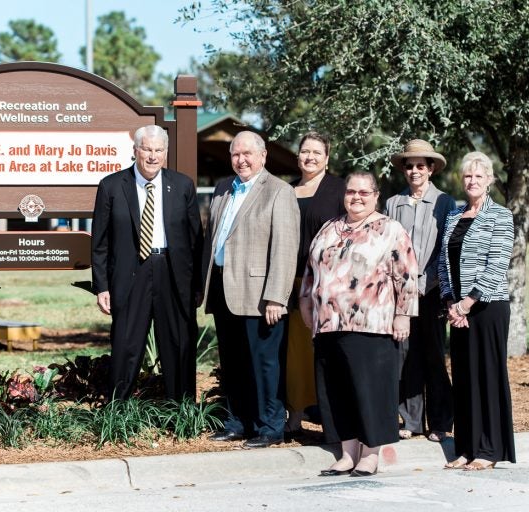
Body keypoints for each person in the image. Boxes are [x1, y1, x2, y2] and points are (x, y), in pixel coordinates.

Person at [300, 170, 418, 477]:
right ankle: (348, 453)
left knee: (370, 391)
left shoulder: (390, 229)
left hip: (372, 324)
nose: (356, 197)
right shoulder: (330, 227)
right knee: (336, 392)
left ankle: (370, 453)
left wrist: (403, 314)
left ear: (376, 195)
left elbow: (406, 275)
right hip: (328, 324)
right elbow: (311, 270)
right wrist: (306, 305)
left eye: (364, 193)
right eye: (352, 191)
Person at [202, 131, 300, 449]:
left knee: (265, 364)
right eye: (235, 154)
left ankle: (270, 426)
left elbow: (285, 248)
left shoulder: (279, 191)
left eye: (247, 154)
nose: (241, 160)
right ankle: (238, 422)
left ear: (262, 156)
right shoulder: (222, 189)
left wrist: (276, 296)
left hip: (260, 295)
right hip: (223, 288)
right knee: (233, 362)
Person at [91, 124, 203, 401]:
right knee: (126, 345)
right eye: (147, 149)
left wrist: (197, 286)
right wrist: (102, 286)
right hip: (131, 274)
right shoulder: (112, 186)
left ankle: (182, 411)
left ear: (166, 153)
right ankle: (118, 412)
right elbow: (100, 243)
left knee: (178, 344)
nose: (153, 156)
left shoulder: (182, 186)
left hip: (172, 273)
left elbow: (195, 241)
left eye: (159, 150)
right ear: (135, 151)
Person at [438, 151, 516, 471]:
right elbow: (443, 263)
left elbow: (497, 265)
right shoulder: (454, 215)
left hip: (487, 307)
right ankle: (466, 447)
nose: (472, 181)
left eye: (479, 176)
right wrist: (450, 303)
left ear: (489, 180)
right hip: (457, 311)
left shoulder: (501, 215)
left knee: (487, 376)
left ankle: (489, 449)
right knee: (465, 377)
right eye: (467, 176)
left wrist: (467, 303)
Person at [386, 139, 456, 443]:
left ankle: (440, 422)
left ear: (430, 169)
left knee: (433, 356)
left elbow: (447, 249)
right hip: (400, 293)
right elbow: (389, 249)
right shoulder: (392, 203)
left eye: (420, 166)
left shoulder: (444, 202)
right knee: (405, 357)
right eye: (409, 166)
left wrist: (432, 284)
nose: (414, 171)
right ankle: (411, 420)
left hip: (432, 291)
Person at [285, 131, 345, 436]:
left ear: (327, 158)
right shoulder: (286, 190)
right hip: (291, 281)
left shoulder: (339, 189)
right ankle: (295, 415)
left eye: (316, 152)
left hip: (328, 282)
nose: (309, 157)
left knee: (327, 350)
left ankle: (331, 419)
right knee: (296, 353)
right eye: (305, 151)